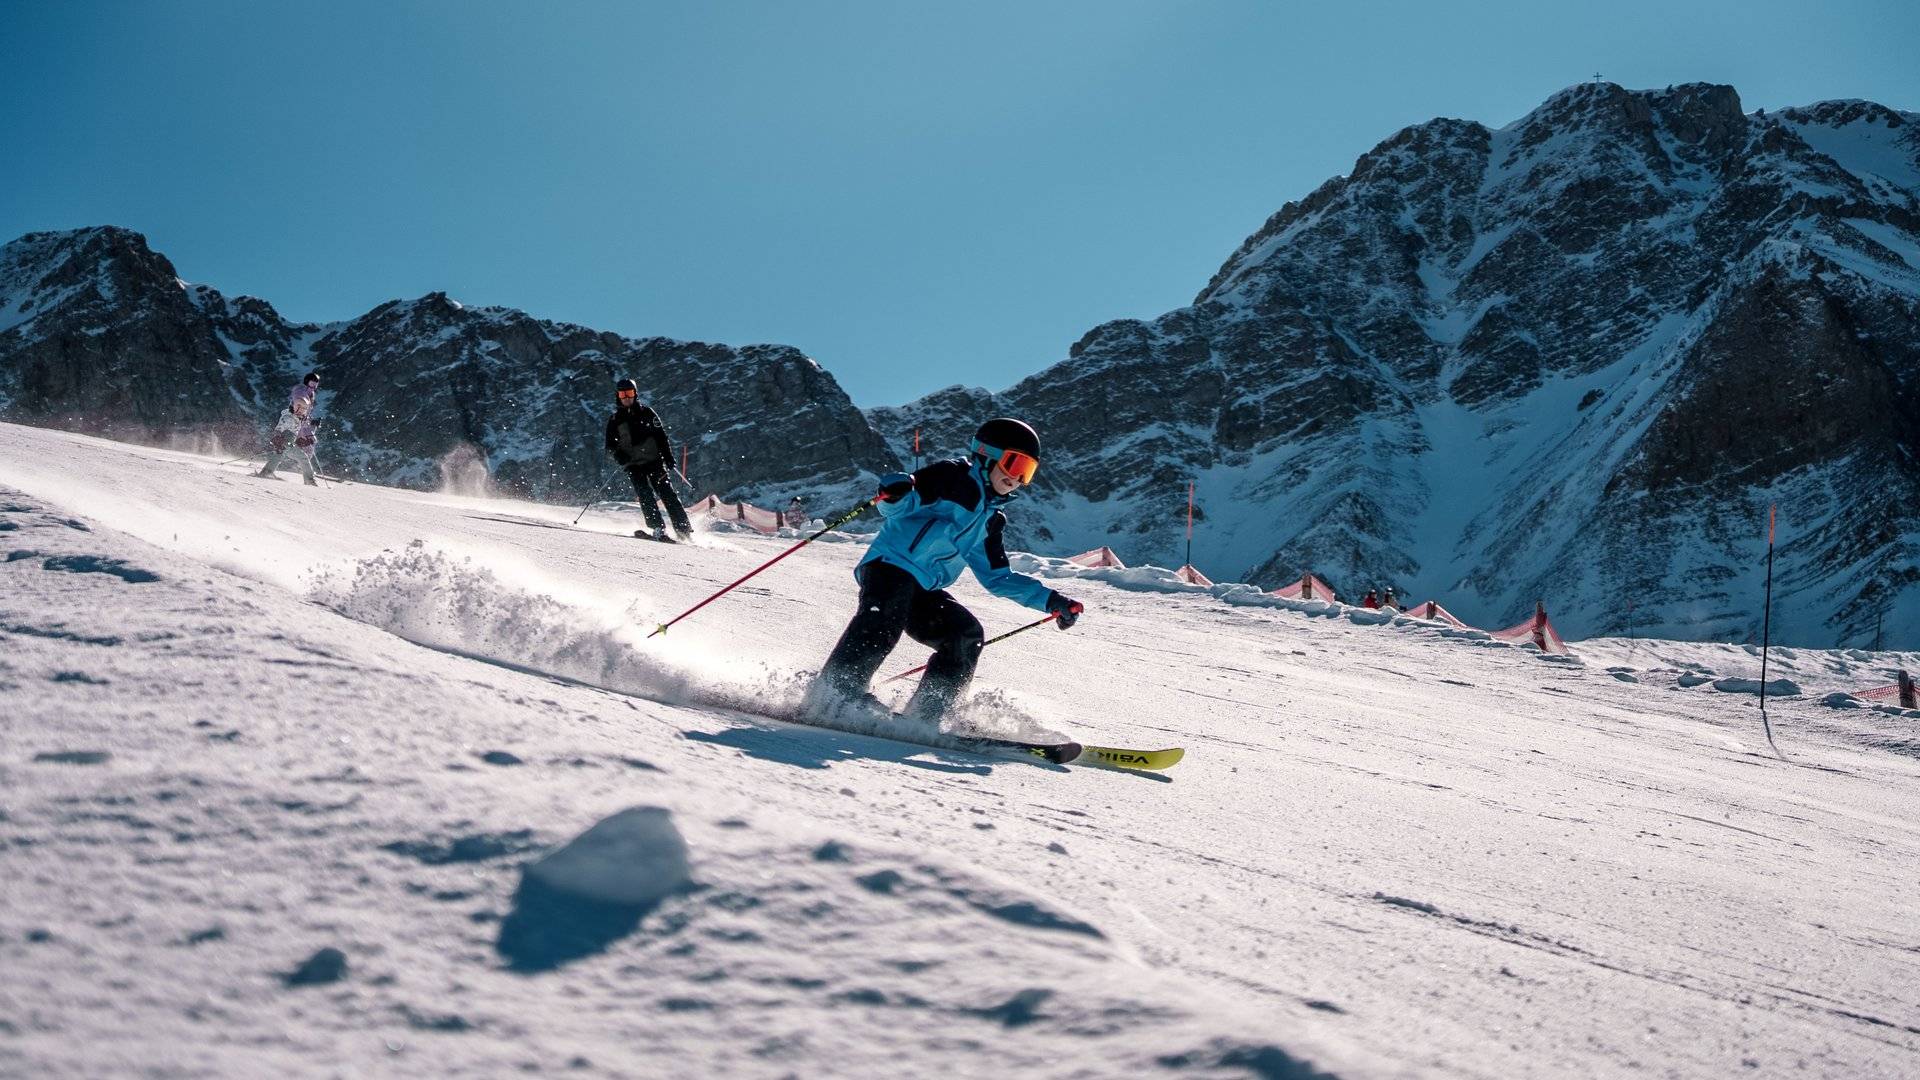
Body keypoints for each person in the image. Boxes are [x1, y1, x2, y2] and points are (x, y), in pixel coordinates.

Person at [807, 417, 1084, 726]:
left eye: (1027, 472)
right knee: (885, 620)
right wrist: (895, 492)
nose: (1017, 478)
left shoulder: (991, 520)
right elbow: (901, 505)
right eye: (1014, 464)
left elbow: (998, 577)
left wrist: (1050, 601)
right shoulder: (950, 478)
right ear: (987, 454)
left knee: (965, 635)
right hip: (890, 567)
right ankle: (835, 692)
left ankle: (928, 715)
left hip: (924, 587)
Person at [604, 378, 692, 542]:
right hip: (633, 465)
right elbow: (610, 445)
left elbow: (661, 437)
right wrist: (619, 456)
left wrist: (668, 457)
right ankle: (657, 528)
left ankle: (684, 531)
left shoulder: (648, 413)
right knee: (645, 495)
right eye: (623, 394)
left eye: (629, 393)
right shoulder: (615, 420)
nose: (626, 397)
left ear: (635, 394)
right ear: (618, 396)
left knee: (667, 494)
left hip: (654, 462)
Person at [257, 392, 319, 486]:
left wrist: (312, 427)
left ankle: (309, 480)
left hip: (289, 442)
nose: (302, 411)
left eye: (304, 409)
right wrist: (278, 439)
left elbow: (304, 423)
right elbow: (279, 429)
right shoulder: (288, 417)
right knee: (288, 456)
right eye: (301, 408)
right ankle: (266, 472)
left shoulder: (297, 417)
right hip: (285, 441)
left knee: (289, 456)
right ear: (295, 407)